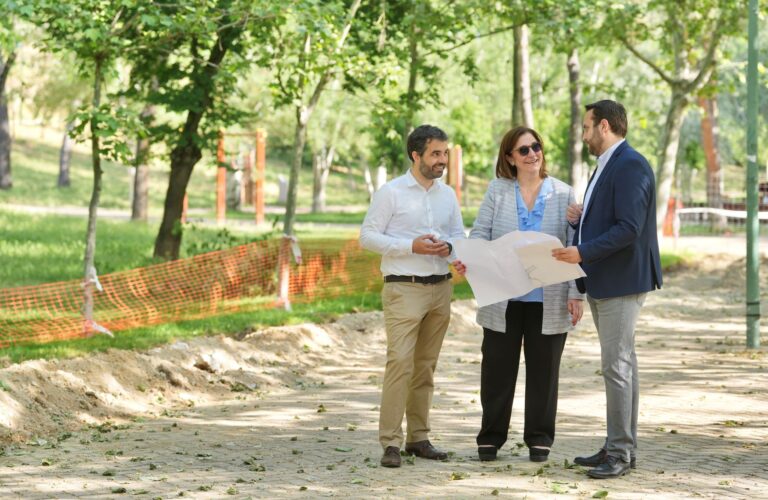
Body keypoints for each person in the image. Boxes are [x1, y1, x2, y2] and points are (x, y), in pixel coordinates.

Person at [552, 100, 663, 479]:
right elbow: (612, 219)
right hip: (605, 278)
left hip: (621, 280)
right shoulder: (608, 165)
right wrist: (582, 218)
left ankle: (619, 452)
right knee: (623, 366)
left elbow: (629, 227)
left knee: (616, 367)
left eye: (585, 128)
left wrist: (581, 251)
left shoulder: (630, 164)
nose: (583, 136)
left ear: (603, 126)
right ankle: (619, 446)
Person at [466, 126, 584, 464]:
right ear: (509, 158)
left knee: (544, 373)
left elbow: (573, 245)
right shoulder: (497, 191)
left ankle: (539, 438)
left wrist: (577, 294)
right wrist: (471, 257)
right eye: (524, 150)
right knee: (496, 372)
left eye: (536, 147)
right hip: (503, 298)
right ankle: (490, 438)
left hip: (549, 299)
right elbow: (480, 234)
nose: (533, 154)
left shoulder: (563, 193)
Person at [359, 124, 466, 468]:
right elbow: (368, 236)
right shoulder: (390, 192)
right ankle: (390, 442)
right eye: (436, 153)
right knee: (400, 364)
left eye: (445, 153)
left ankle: (418, 438)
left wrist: (450, 248)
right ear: (415, 155)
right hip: (403, 288)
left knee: (425, 368)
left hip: (440, 288)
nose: (442, 160)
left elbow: (456, 236)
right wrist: (410, 246)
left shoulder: (447, 194)